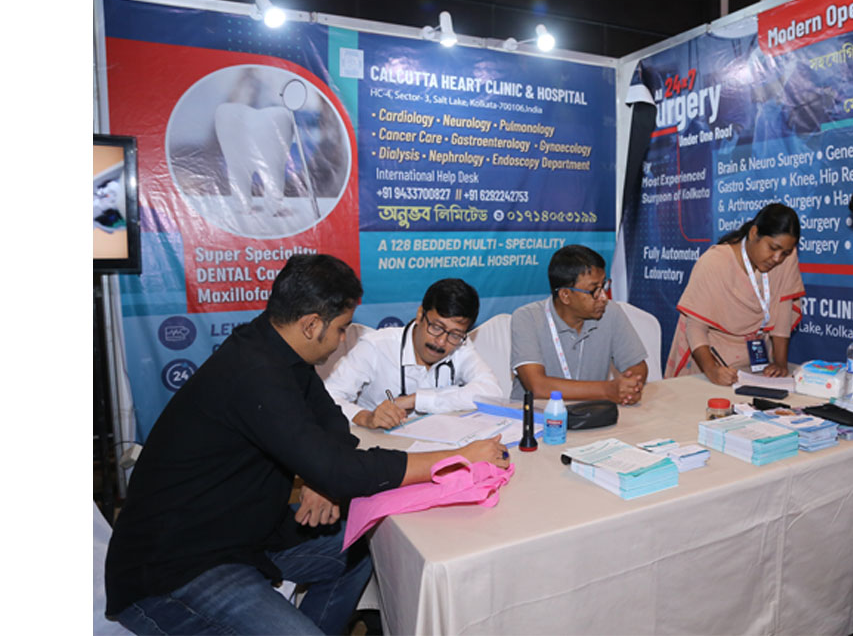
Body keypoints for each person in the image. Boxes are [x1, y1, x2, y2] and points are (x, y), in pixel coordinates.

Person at [105, 254, 509, 636]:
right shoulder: (255, 374)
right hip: (176, 569)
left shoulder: (277, 350)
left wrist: (322, 479)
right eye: (340, 328)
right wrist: (458, 456)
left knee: (361, 544)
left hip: (246, 536)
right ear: (313, 324)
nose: (341, 339)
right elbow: (343, 469)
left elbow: (332, 423)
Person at [324, 278, 502, 429]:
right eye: (436, 327)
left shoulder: (461, 346)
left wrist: (416, 400)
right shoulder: (376, 347)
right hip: (378, 449)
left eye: (455, 334)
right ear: (419, 315)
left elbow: (491, 392)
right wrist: (366, 417)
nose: (441, 342)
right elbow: (329, 398)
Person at [663, 203, 805, 384]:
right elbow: (695, 327)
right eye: (772, 248)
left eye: (785, 252)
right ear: (754, 233)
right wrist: (712, 371)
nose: (777, 258)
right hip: (712, 360)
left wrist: (779, 363)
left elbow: (783, 314)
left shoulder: (786, 258)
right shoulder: (714, 262)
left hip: (757, 366)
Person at [510, 244, 648, 403]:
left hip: (592, 415)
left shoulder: (610, 312)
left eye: (603, 285)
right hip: (537, 420)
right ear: (565, 296)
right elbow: (538, 387)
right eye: (594, 290)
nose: (603, 297)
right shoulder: (527, 318)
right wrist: (607, 390)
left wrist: (629, 387)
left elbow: (638, 366)